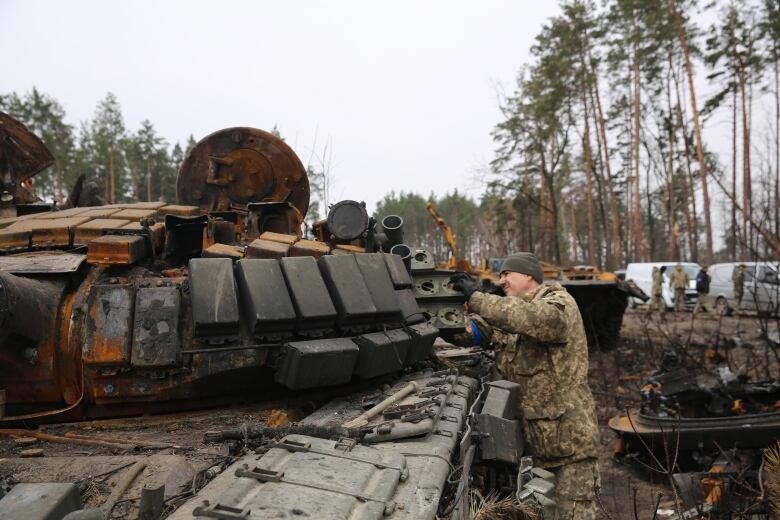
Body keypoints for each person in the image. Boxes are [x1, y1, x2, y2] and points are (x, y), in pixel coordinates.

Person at [450, 253, 601, 519]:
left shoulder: (558, 304)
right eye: (500, 276)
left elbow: (533, 319)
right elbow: (474, 331)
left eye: (507, 274)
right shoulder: (508, 316)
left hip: (569, 451)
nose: (502, 281)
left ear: (529, 275)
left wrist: (477, 297)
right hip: (532, 449)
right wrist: (438, 319)